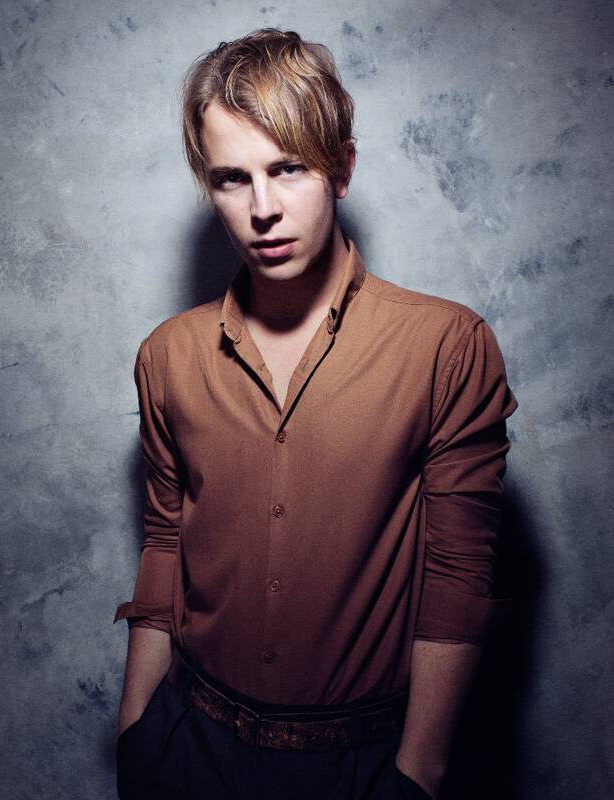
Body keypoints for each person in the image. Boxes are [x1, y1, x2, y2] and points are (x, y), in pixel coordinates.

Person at [113, 27, 518, 800]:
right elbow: (165, 540)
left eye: (288, 167)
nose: (262, 208)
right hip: (189, 747)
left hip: (361, 764)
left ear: (341, 168)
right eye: (232, 179)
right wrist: (137, 736)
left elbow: (458, 577)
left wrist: (417, 775)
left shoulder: (446, 345)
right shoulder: (167, 355)